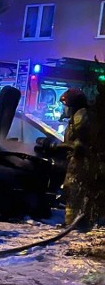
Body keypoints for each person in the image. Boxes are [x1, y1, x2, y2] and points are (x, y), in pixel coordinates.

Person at [56, 88, 93, 227]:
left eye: (65, 106)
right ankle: (74, 223)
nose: (64, 109)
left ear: (72, 106)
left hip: (80, 162)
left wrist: (66, 147)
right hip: (77, 160)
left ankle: (73, 224)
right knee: (73, 191)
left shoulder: (81, 118)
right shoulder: (76, 118)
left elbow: (81, 143)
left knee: (74, 190)